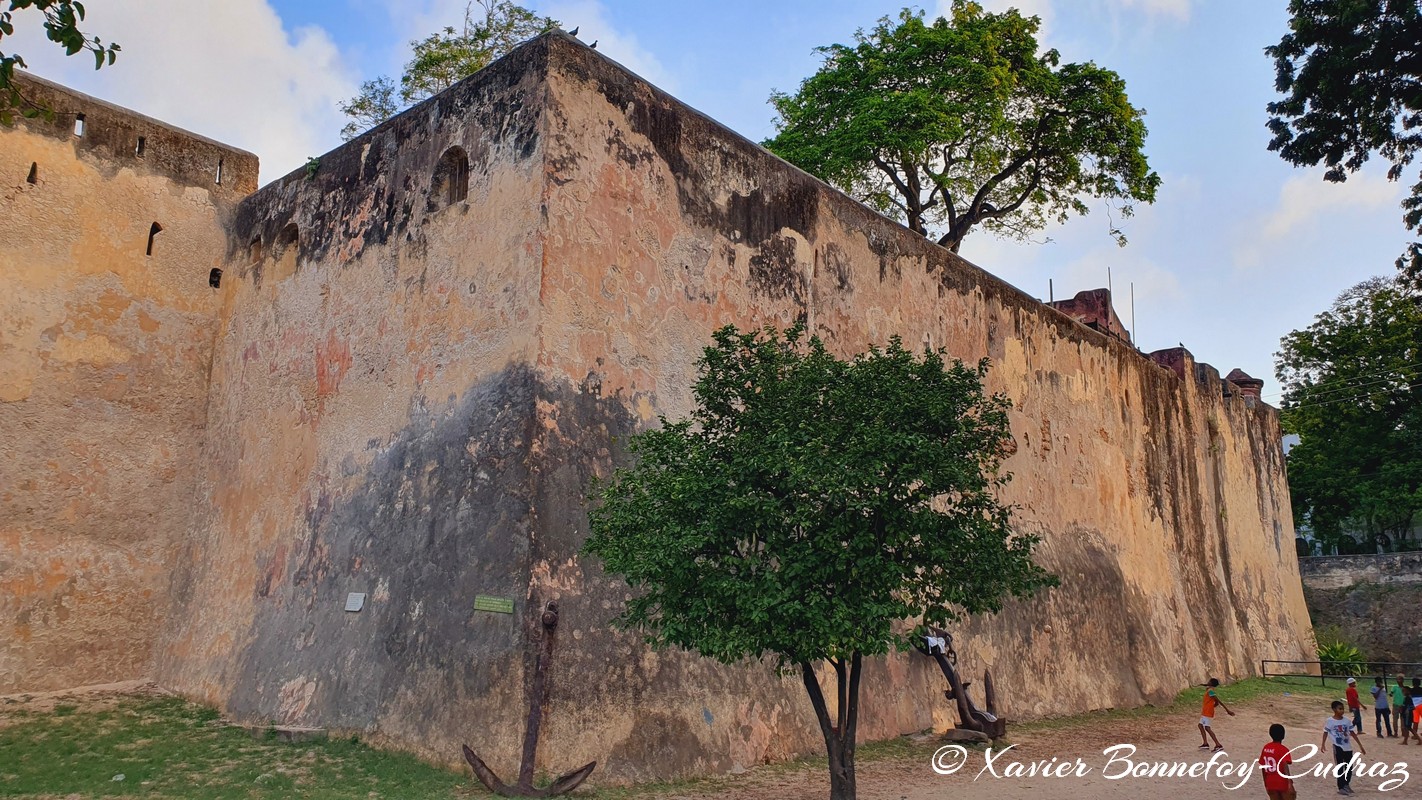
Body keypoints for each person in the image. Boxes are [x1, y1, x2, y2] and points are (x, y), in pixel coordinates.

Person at [1323, 698, 1366, 796]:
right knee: (1340, 766)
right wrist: (1323, 744)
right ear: (1334, 709)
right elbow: (1325, 732)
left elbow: (1352, 733)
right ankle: (1341, 787)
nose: (1342, 711)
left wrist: (1360, 745)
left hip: (1347, 747)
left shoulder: (1347, 721)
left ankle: (1346, 784)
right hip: (1338, 746)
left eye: (1342, 709)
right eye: (1339, 709)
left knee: (1349, 766)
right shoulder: (1330, 721)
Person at [1259, 723, 1296, 800]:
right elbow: (1285, 765)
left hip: (1270, 781)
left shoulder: (1266, 748)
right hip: (1282, 781)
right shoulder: (1283, 749)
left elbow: (1263, 766)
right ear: (1283, 735)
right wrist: (1290, 783)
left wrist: (1265, 782)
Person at [1198, 677, 1235, 753]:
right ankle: (1205, 744)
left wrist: (1227, 710)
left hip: (1207, 712)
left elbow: (1218, 701)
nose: (1207, 682)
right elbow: (1216, 703)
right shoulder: (1210, 690)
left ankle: (1218, 745)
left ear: (1211, 683)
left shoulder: (1210, 691)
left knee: (1207, 728)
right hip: (1206, 711)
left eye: (1209, 681)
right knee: (1200, 726)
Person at [1395, 674, 1416, 744]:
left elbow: (1412, 707)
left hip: (1408, 715)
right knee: (1408, 728)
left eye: (1404, 691)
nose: (1402, 692)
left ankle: (1408, 740)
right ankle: (1405, 741)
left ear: (1407, 691)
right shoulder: (1406, 698)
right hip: (1406, 714)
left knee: (1408, 728)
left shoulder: (1408, 698)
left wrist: (1405, 709)